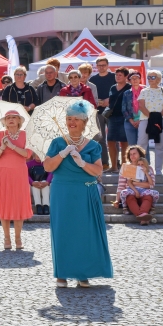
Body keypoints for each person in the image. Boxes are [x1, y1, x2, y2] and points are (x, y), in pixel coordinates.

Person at [43, 100, 112, 288]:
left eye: (76, 119)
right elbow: (48, 166)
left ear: (84, 122)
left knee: (84, 233)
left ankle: (83, 273)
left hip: (85, 192)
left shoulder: (93, 146)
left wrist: (82, 162)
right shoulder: (57, 143)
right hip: (62, 192)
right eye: (68, 118)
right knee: (63, 231)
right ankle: (62, 274)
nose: (71, 122)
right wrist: (63, 154)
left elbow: (98, 171)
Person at [0, 110, 33, 249]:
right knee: (4, 204)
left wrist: (12, 146)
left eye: (14, 117)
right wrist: (2, 147)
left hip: (19, 172)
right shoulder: (0, 135)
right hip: (2, 173)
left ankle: (18, 237)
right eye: (8, 118)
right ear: (4, 121)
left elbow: (27, 154)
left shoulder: (26, 135)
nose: (11, 120)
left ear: (19, 121)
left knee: (18, 204)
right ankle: (6, 238)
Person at [117, 145, 158, 225]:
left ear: (140, 154)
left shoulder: (149, 168)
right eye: (130, 154)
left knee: (148, 197)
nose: (132, 156)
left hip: (144, 193)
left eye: (134, 153)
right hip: (131, 192)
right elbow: (121, 185)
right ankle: (143, 217)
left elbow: (151, 185)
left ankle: (142, 217)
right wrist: (117, 200)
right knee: (129, 197)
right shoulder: (126, 168)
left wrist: (134, 183)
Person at [137, 70, 163, 174]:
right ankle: (140, 169)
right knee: (141, 144)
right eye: (149, 77)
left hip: (161, 120)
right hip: (145, 119)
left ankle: (158, 170)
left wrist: (158, 117)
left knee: (160, 145)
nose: (150, 79)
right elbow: (141, 105)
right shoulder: (144, 91)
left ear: (158, 79)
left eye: (152, 77)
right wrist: (152, 117)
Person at [90, 57, 116, 167]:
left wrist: (109, 100)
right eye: (99, 65)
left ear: (108, 65)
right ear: (96, 66)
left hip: (113, 112)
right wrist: (99, 102)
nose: (102, 67)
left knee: (113, 138)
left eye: (103, 65)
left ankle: (116, 162)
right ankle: (104, 162)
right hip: (98, 112)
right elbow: (91, 95)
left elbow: (119, 91)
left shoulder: (114, 77)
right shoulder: (93, 79)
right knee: (100, 138)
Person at [105, 67, 130, 173]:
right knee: (110, 141)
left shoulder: (129, 87)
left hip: (125, 118)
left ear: (126, 77)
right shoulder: (112, 87)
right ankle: (114, 167)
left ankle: (124, 168)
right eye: (116, 75)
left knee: (124, 143)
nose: (117, 77)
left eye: (120, 75)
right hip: (112, 117)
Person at [121, 70, 144, 146]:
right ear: (129, 81)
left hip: (143, 121)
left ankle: (144, 159)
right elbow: (124, 108)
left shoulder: (146, 91)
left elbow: (149, 107)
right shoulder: (126, 93)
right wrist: (131, 121)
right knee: (132, 146)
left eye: (137, 78)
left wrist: (140, 120)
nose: (135, 80)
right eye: (132, 78)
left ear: (140, 79)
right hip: (129, 122)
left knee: (143, 146)